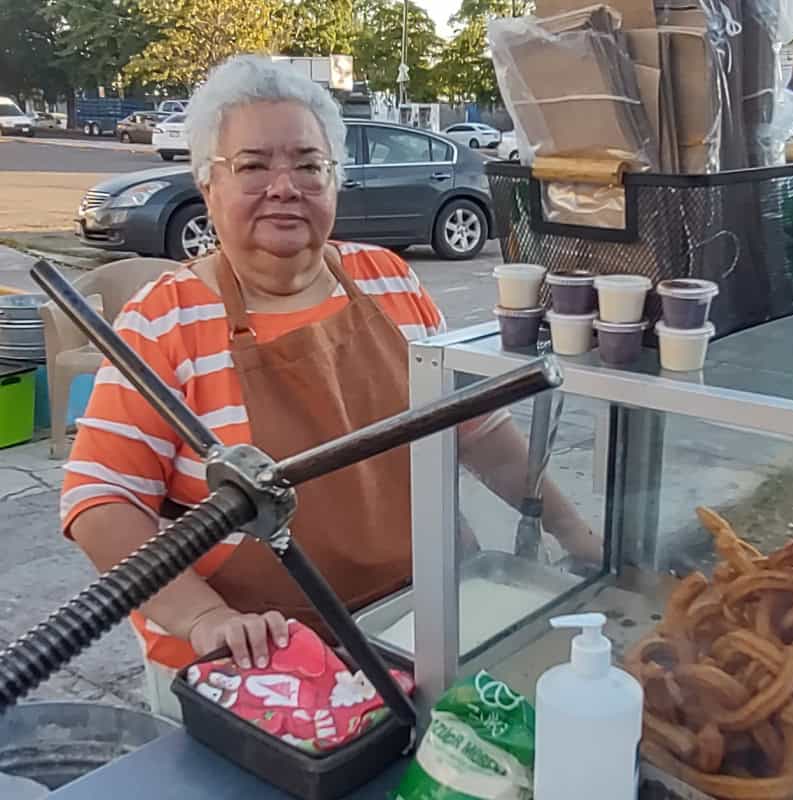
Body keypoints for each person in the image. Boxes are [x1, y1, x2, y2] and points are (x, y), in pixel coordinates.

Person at [60, 56, 598, 718]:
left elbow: (477, 431)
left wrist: (579, 537)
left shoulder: (387, 279)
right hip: (256, 667)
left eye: (308, 165)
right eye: (253, 166)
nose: (284, 186)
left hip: (413, 630)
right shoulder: (165, 317)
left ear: (335, 181)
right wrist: (202, 619)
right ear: (207, 185)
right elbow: (101, 500)